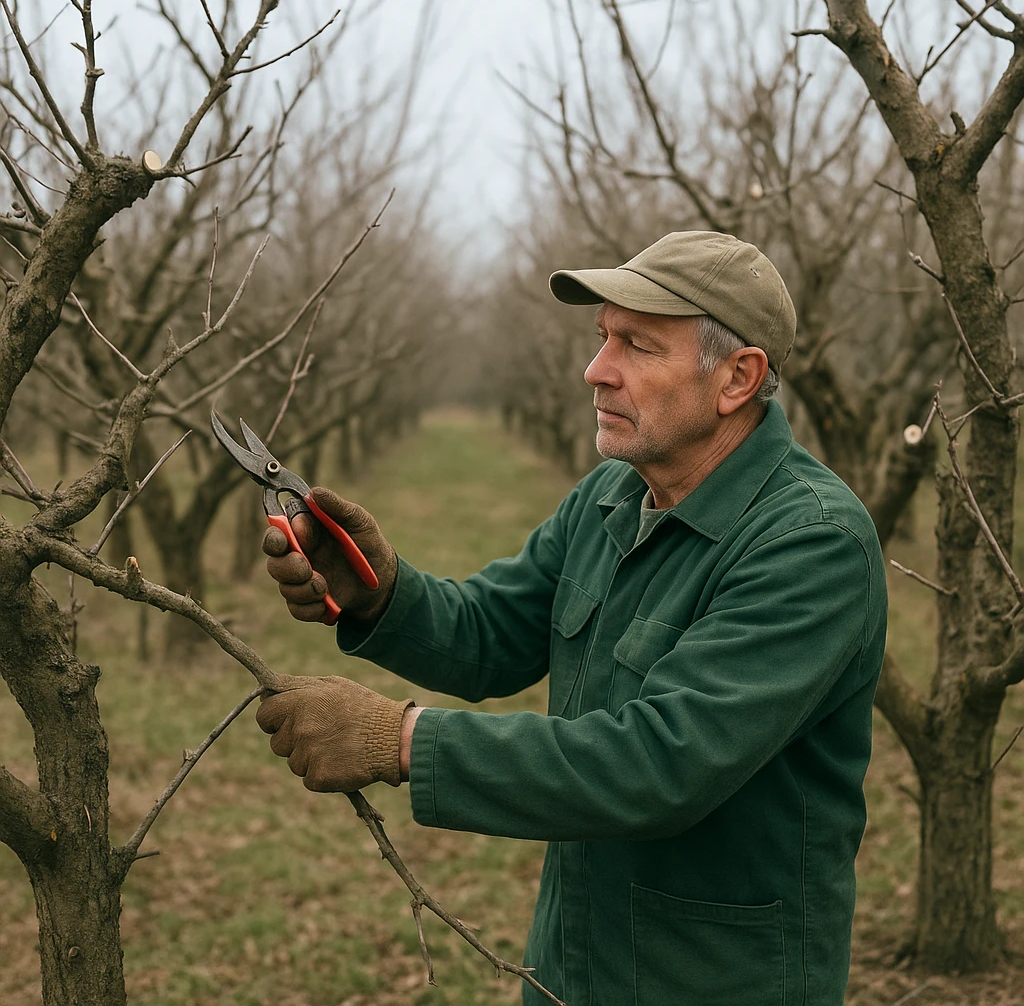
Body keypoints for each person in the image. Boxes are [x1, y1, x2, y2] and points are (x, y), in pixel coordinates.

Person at [256, 231, 887, 1006]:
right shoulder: (613, 495)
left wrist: (402, 738)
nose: (596, 369)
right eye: (602, 337)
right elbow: (491, 632)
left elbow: (661, 764)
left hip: (716, 979)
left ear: (737, 377)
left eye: (637, 346)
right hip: (573, 962)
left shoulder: (811, 542)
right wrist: (380, 592)